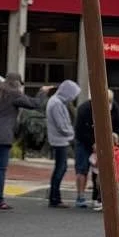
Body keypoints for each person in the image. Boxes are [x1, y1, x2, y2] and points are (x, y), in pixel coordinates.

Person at [0, 72, 40, 211]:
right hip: (1, 136)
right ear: (16, 82)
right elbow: (33, 104)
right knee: (0, 169)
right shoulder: (12, 94)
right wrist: (42, 93)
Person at [74, 90, 119, 210]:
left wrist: (114, 136)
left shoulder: (115, 110)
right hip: (84, 141)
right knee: (82, 168)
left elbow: (117, 126)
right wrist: (93, 143)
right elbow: (80, 130)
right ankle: (80, 196)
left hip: (103, 142)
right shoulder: (84, 109)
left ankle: (99, 197)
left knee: (100, 171)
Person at [44, 77, 79, 207]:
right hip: (60, 140)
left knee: (60, 168)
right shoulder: (56, 103)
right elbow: (61, 125)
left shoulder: (57, 102)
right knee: (60, 168)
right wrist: (72, 134)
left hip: (60, 139)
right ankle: (54, 197)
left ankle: (54, 195)